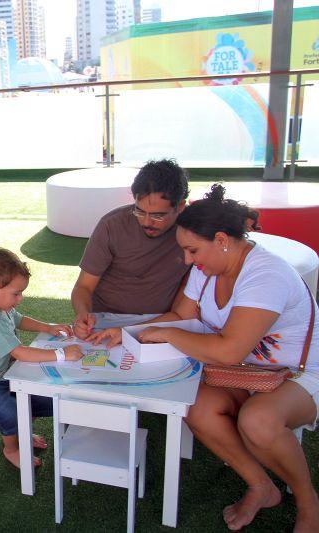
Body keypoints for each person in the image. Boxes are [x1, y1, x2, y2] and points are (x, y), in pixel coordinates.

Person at [91, 185, 319, 532]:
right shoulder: (207, 267)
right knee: (194, 406)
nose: (187, 260)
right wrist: (128, 333)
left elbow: (229, 349)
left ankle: (308, 502)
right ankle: (262, 486)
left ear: (222, 239)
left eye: (192, 250)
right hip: (244, 373)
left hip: (296, 374)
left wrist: (168, 335)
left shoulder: (266, 274)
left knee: (257, 420)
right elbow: (179, 314)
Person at [0, 248, 83, 468]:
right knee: (11, 412)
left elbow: (19, 319)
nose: (20, 299)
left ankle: (22, 432)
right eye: (16, 293)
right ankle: (11, 449)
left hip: (5, 375)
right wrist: (61, 353)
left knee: (37, 397)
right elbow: (19, 352)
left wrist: (48, 327)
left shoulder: (1, 307)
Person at [71, 159, 191, 339]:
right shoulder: (112, 225)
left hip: (160, 321)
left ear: (180, 206)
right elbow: (83, 286)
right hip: (106, 319)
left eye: (158, 216)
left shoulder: (193, 230)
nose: (147, 222)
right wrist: (83, 314)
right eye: (140, 211)